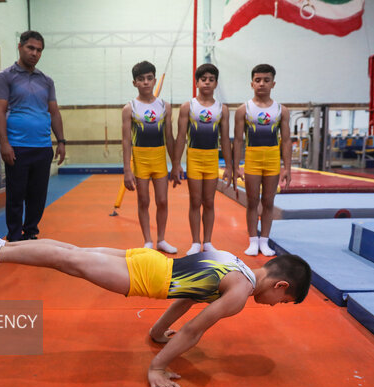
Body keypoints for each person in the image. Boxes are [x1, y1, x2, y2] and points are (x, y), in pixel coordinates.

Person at [0, 234, 311, 387]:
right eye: (284, 300)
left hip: (152, 261)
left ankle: (4, 246)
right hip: (147, 277)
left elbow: (186, 298)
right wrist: (156, 366)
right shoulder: (240, 294)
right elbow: (193, 330)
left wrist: (158, 331)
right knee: (71, 261)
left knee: (74, 253)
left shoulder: (234, 261)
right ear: (280, 286)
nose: (275, 306)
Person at [0, 30, 66, 242]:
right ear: (20, 47)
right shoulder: (5, 77)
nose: (34, 53)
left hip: (43, 147)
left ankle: (31, 232)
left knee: (37, 196)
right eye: (30, 48)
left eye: (39, 50)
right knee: (16, 195)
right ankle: (15, 237)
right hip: (17, 146)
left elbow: (54, 112)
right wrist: (4, 143)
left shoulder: (46, 81)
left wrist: (60, 141)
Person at [172, 64, 233, 256]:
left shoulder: (222, 109)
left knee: (209, 201)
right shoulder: (188, 107)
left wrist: (230, 166)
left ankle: (207, 242)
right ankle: (195, 242)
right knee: (195, 201)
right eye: (203, 79)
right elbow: (181, 136)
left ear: (215, 83)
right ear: (197, 82)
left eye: (211, 79)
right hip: (194, 157)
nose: (207, 82)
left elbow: (224, 139)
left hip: (212, 158)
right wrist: (175, 164)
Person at [234, 64, 291, 257]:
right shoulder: (244, 109)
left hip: (273, 159)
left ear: (273, 83)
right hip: (252, 159)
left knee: (268, 201)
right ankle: (252, 240)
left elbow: (287, 140)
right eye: (257, 80)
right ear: (251, 84)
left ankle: (264, 241)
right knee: (252, 201)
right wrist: (236, 166)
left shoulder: (281, 110)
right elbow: (239, 140)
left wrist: (287, 168)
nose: (261, 84)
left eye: (266, 80)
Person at [122, 61, 177, 254]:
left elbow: (169, 138)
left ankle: (161, 239)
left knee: (162, 200)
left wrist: (176, 164)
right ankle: (147, 240)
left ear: (154, 80)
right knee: (143, 200)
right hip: (140, 159)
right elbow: (126, 140)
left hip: (159, 158)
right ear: (134, 82)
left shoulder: (164, 106)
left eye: (149, 78)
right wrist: (127, 170)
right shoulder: (129, 108)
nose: (145, 82)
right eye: (141, 79)